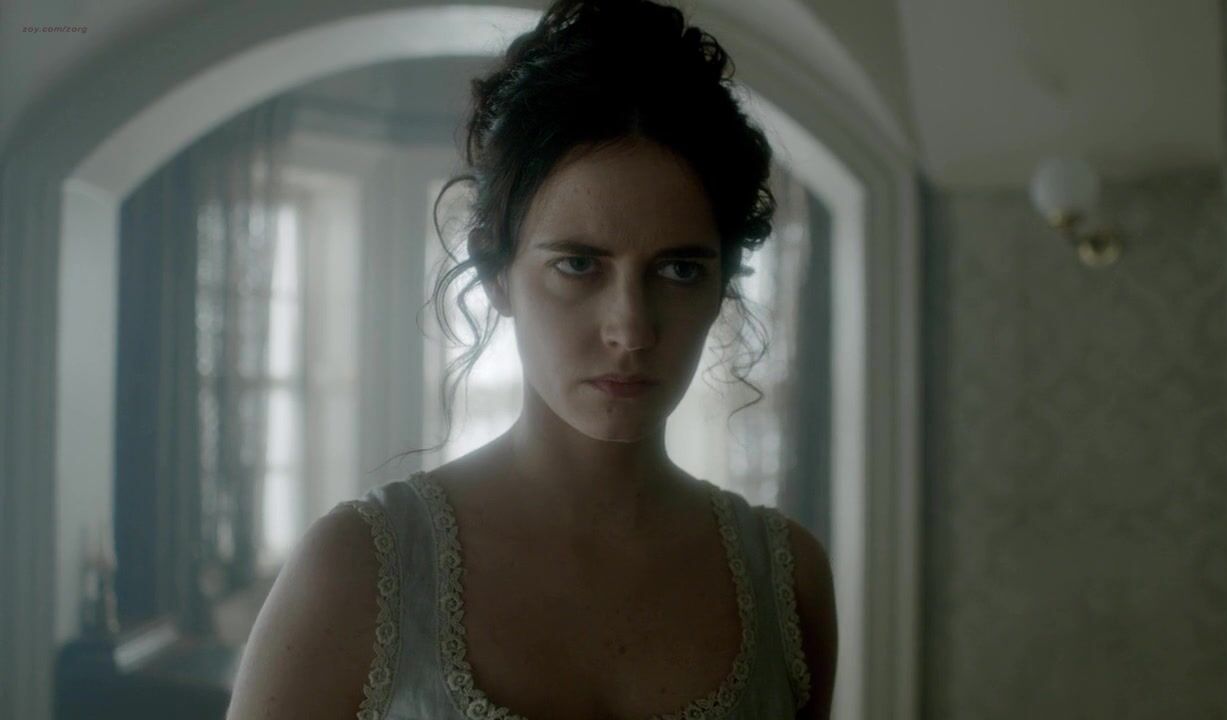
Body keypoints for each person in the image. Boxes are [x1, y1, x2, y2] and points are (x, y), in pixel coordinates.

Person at [226, 0, 837, 718]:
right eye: (578, 264)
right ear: (496, 275)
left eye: (678, 270)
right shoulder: (358, 568)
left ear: (723, 283)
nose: (630, 329)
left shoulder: (785, 580)